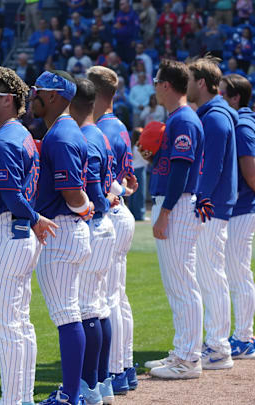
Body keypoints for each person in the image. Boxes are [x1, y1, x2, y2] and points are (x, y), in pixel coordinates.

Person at [0, 66, 57, 405]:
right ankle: (21, 396)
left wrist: (35, 216)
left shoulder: (4, 139)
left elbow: (11, 193)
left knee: (6, 326)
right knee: (19, 325)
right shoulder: (21, 134)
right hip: (20, 233)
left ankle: (15, 399)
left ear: (7, 100)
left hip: (10, 229)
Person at [142, 58, 205, 379]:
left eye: (156, 82)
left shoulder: (183, 120)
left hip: (178, 206)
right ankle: (183, 351)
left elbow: (181, 169)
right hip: (175, 204)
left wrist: (163, 214)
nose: (154, 87)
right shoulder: (178, 119)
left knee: (183, 284)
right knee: (179, 283)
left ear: (166, 85)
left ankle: (189, 358)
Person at [31, 70, 92, 405]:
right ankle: (74, 391)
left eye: (37, 91)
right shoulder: (61, 130)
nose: (32, 96)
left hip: (62, 228)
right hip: (65, 228)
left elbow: (71, 190)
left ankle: (71, 394)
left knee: (67, 315)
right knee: (70, 313)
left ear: (54, 96)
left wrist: (83, 207)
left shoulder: (62, 134)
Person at [88, 65, 139, 393]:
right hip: (122, 211)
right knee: (116, 297)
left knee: (106, 298)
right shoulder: (118, 124)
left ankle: (115, 370)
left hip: (111, 211)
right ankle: (125, 367)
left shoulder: (100, 128)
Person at [186, 57, 238, 370]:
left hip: (212, 207)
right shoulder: (211, 113)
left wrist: (202, 197)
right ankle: (216, 343)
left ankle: (218, 346)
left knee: (211, 277)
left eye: (190, 79)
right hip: (215, 205)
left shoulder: (215, 116)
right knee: (210, 275)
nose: (187, 85)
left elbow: (213, 164)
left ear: (202, 83)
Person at [70, 77, 119, 405]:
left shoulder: (86, 136)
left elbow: (94, 192)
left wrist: (97, 205)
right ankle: (101, 382)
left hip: (94, 223)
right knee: (98, 307)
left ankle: (90, 386)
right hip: (104, 225)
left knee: (90, 308)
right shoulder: (98, 133)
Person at [219, 74, 255, 359]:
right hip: (242, 208)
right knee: (238, 273)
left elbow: (251, 176)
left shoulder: (242, 124)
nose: (218, 98)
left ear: (235, 98)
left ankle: (244, 337)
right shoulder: (245, 121)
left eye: (222, 94)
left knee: (238, 274)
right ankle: (242, 333)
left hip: (242, 209)